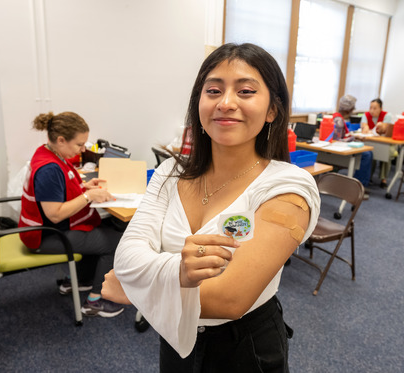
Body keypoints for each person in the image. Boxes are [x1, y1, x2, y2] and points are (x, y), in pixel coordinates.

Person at [102, 43, 320, 372]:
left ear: (272, 109)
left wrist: (135, 289)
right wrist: (173, 275)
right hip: (175, 337)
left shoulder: (288, 189)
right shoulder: (170, 172)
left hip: (244, 345)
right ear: (199, 103)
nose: (226, 103)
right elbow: (127, 254)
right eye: (213, 90)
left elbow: (230, 298)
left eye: (246, 91)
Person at [19, 111, 125, 318]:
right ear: (61, 140)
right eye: (79, 144)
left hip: (48, 229)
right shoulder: (49, 168)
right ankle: (96, 301)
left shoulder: (49, 153)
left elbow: (61, 187)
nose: (83, 149)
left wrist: (84, 186)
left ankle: (79, 280)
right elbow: (55, 215)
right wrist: (88, 196)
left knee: (99, 230)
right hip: (46, 234)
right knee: (116, 242)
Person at [334, 94, 373, 198]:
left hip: (340, 146)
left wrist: (352, 136)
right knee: (367, 155)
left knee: (368, 153)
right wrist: (353, 138)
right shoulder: (339, 120)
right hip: (340, 149)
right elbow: (338, 139)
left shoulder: (338, 117)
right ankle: (358, 186)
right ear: (348, 109)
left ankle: (361, 184)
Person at [360, 98, 396, 187]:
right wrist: (365, 127)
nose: (372, 110)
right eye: (370, 107)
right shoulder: (366, 115)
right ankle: (369, 177)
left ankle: (384, 178)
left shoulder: (387, 115)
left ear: (381, 108)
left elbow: (384, 128)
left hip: (386, 142)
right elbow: (364, 126)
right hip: (372, 141)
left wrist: (382, 126)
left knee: (385, 152)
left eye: (375, 108)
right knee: (370, 152)